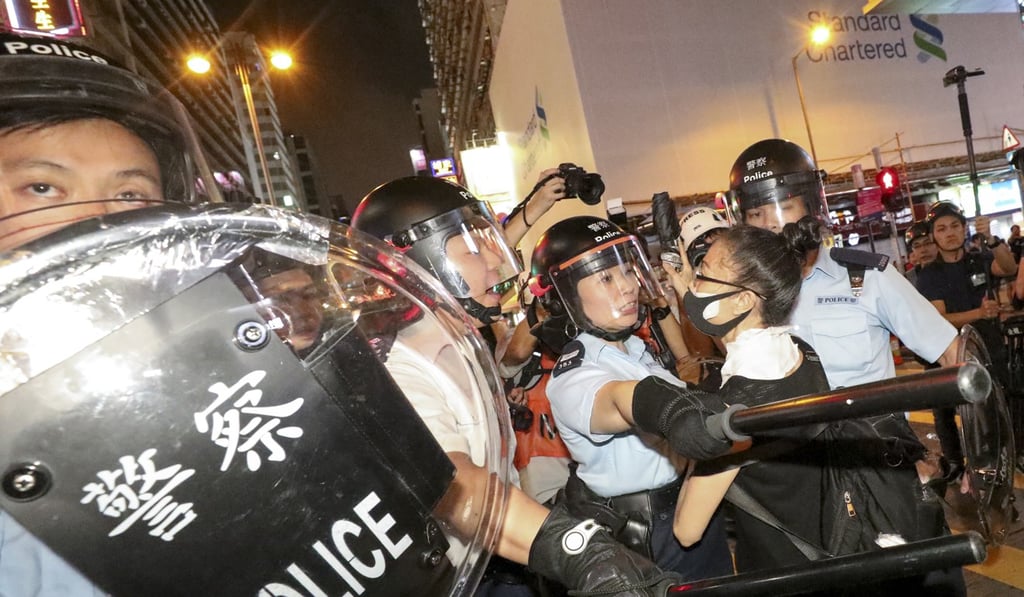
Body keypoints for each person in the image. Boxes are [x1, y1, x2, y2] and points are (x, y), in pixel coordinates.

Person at [0, 33, 676, 596]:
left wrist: (576, 547)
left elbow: (422, 471)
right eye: (41, 186)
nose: (96, 225)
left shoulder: (222, 362)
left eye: (130, 197)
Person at [351, 177, 682, 595]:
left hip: (509, 560)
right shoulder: (402, 375)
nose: (493, 259)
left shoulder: (464, 346)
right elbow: (458, 488)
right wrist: (578, 551)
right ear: (418, 261)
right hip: (469, 581)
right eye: (471, 248)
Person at [724, 138, 965, 595]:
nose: (773, 225)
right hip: (794, 478)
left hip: (876, 462)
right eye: (757, 215)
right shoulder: (739, 297)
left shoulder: (866, 276)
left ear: (812, 207)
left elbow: (953, 356)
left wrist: (962, 447)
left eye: (785, 207)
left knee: (918, 582)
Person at [532, 215, 734, 581]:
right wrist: (673, 407)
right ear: (566, 298)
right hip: (646, 532)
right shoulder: (573, 374)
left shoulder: (637, 350)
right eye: (606, 278)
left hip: (690, 503)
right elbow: (620, 400)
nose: (626, 287)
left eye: (627, 271)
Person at [915, 201, 1017, 487]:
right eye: (942, 228)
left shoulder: (980, 258)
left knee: (998, 409)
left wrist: (994, 239)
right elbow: (940, 317)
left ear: (965, 228)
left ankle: (1000, 461)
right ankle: (958, 466)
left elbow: (1008, 267)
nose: (950, 233)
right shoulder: (929, 275)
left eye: (956, 226)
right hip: (954, 356)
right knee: (950, 413)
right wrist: (978, 313)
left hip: (991, 350)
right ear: (934, 235)